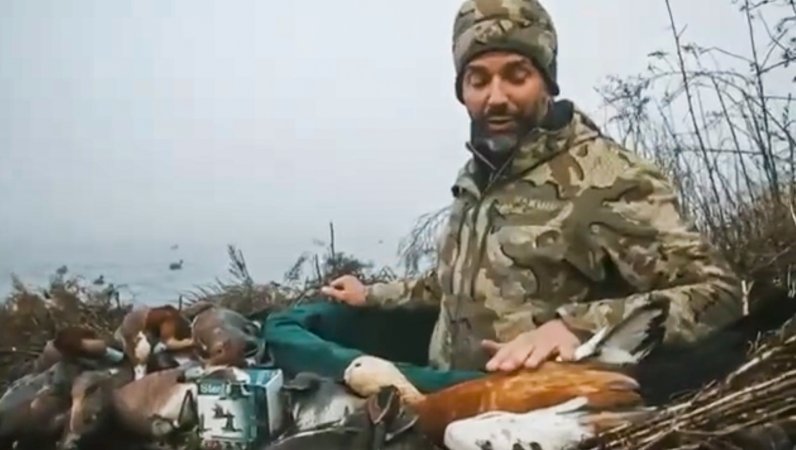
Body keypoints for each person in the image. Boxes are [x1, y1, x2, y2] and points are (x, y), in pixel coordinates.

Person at [321, 0, 744, 374]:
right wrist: (371, 294)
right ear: (462, 90)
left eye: (516, 75)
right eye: (478, 80)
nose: (496, 97)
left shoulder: (607, 177)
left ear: (546, 81)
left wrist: (576, 328)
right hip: (450, 408)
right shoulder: (477, 177)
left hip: (546, 423)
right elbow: (457, 285)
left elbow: (718, 296)